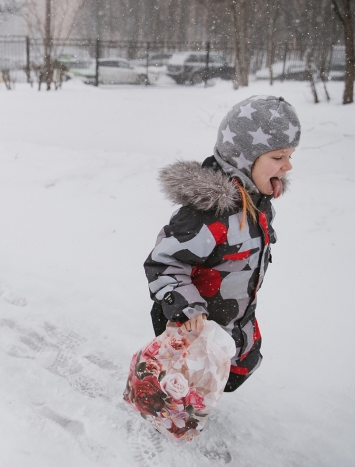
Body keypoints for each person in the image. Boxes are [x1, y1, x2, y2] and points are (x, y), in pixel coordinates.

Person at [143, 95, 300, 392]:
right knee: (182, 390)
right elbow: (164, 262)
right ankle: (163, 411)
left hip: (235, 315)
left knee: (234, 373)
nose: (288, 166)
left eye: (291, 155)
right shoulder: (207, 215)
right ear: (244, 157)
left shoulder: (257, 203)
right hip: (194, 321)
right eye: (278, 157)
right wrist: (187, 307)